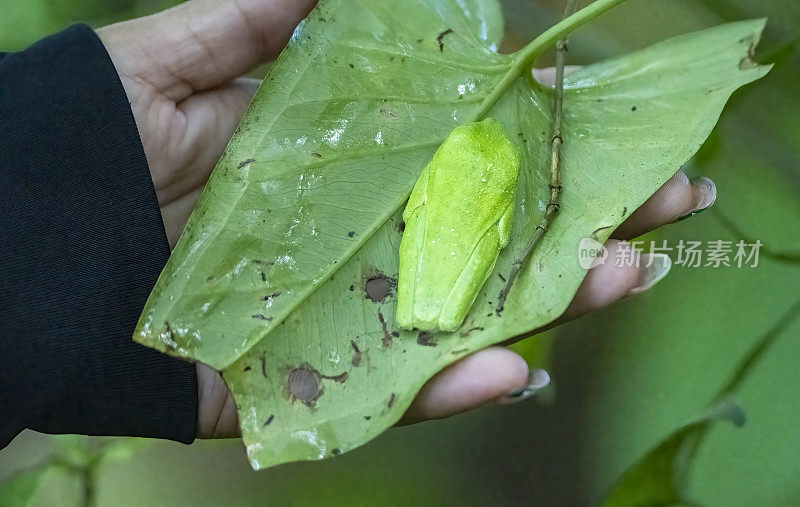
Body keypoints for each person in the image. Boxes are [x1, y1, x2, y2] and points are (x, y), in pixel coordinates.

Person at [0, 0, 716, 447]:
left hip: (417, 260)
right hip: (454, 251)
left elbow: (421, 207)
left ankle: (422, 306)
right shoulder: (503, 167)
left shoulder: (452, 156)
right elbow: (497, 234)